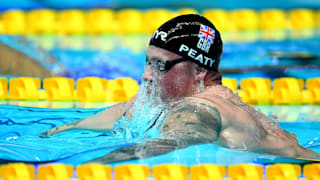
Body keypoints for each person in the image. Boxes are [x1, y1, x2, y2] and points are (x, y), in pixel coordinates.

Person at [41, 14, 320, 163]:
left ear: (198, 70)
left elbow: (178, 137)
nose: (146, 75)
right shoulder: (167, 98)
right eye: (147, 62)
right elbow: (119, 113)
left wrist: (88, 169)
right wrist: (56, 132)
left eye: (160, 65)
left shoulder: (201, 107)